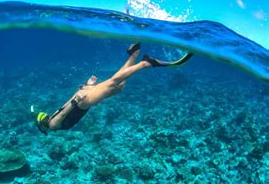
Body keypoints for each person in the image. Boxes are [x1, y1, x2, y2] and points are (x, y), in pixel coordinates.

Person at [32, 42, 193, 135]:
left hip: (84, 102)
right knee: (119, 87)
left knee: (113, 82)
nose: (45, 114)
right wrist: (86, 88)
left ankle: (146, 63)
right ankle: (134, 55)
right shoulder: (52, 124)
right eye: (42, 116)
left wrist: (82, 93)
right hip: (83, 100)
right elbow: (66, 108)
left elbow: (67, 108)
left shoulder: (53, 123)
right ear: (42, 122)